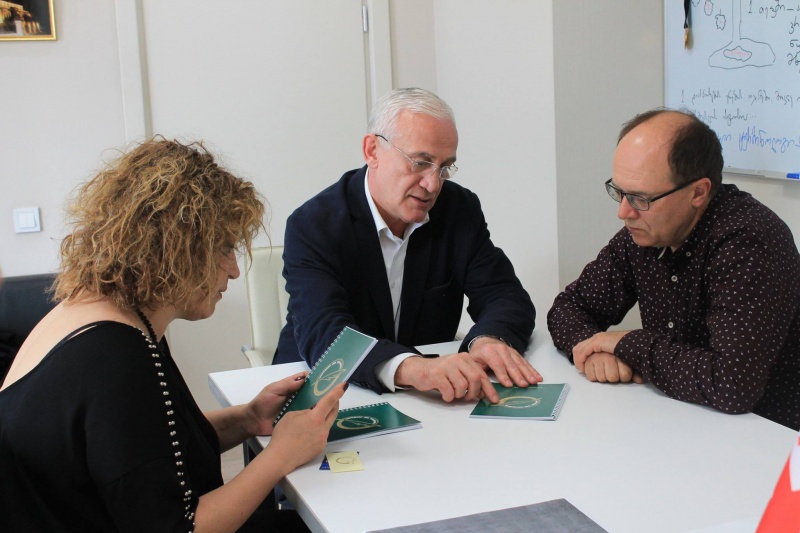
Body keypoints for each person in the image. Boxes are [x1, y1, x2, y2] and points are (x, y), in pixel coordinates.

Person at [0, 139, 346, 532]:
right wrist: (280, 455)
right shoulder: (115, 357)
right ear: (176, 248)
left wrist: (248, 418)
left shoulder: (96, 314)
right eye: (224, 248)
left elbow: (145, 454)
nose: (234, 270)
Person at [275, 87, 541, 404]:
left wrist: (488, 340)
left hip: (426, 402)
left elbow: (505, 294)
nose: (433, 184)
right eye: (420, 162)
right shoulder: (314, 224)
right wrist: (412, 368)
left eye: (444, 167)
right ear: (372, 150)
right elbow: (327, 333)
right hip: (318, 390)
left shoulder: (458, 209)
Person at [547, 108, 800, 430]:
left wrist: (628, 344)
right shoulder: (646, 233)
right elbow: (569, 307)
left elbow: (732, 385)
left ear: (698, 192)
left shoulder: (749, 243)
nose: (624, 212)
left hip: (765, 435)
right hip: (676, 419)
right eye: (619, 192)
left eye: (640, 198)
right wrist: (591, 349)